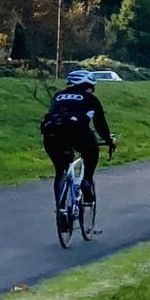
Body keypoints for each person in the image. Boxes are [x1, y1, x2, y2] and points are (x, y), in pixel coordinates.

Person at [41, 68, 116, 216]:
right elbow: (100, 124)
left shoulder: (58, 95)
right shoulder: (90, 99)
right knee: (92, 150)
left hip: (52, 135)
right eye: (92, 87)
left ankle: (61, 209)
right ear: (88, 85)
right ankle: (87, 181)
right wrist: (109, 140)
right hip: (78, 132)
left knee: (60, 171)